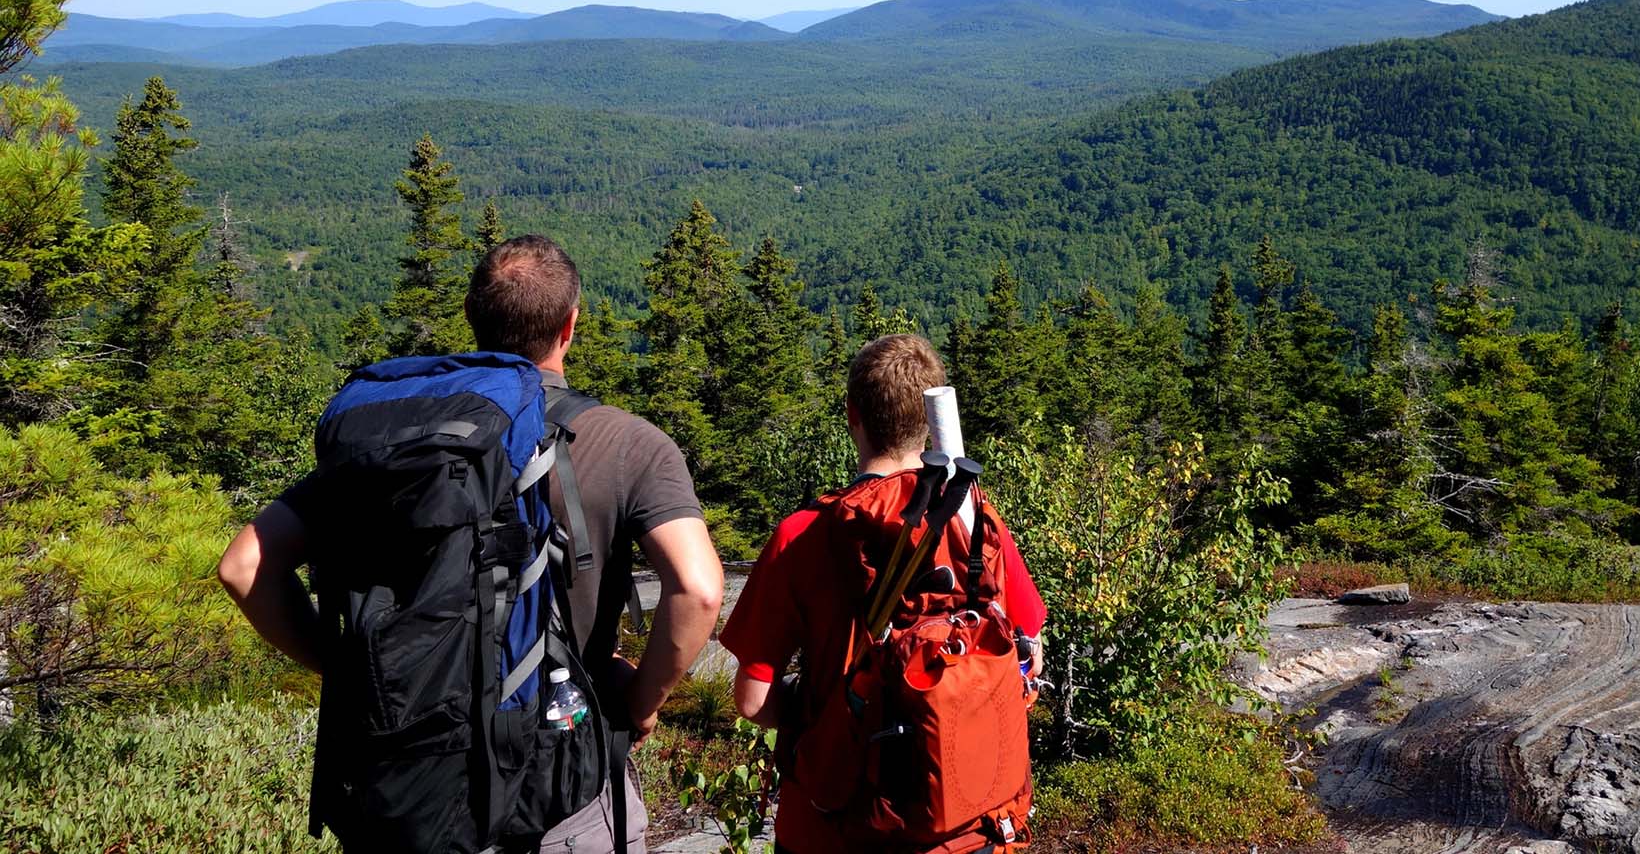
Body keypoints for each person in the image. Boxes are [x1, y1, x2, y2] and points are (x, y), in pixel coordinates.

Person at [220, 234, 725, 854]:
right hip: (560, 791)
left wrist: (370, 679)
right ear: (571, 323)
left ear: (473, 320)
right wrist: (643, 703)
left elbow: (244, 567)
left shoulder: (401, 443)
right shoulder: (628, 444)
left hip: (409, 789)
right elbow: (699, 591)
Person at [720, 333, 1047, 853]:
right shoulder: (976, 521)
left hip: (834, 829)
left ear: (853, 415)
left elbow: (752, 699)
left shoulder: (803, 535)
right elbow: (1028, 653)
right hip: (967, 827)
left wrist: (829, 713)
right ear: (931, 421)